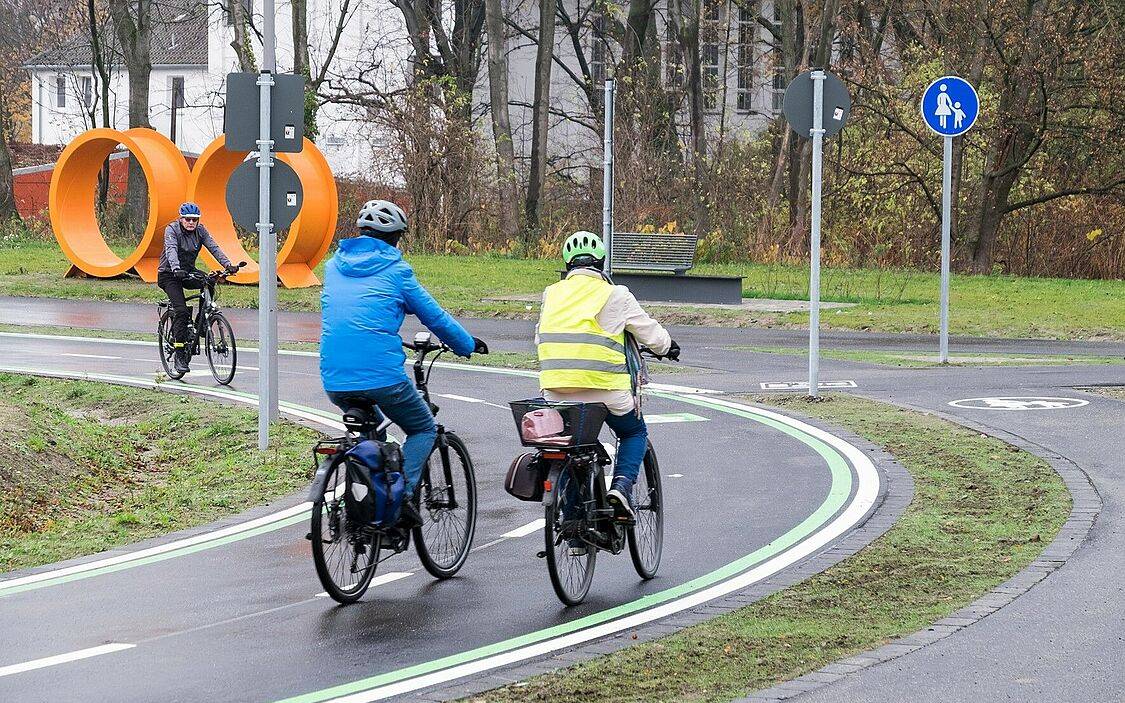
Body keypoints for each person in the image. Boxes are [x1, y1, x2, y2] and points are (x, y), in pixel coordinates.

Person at [320, 199, 487, 528]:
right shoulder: (397, 271)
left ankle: (370, 500)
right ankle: (402, 500)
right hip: (382, 377)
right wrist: (466, 344)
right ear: (396, 238)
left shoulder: (332, 266)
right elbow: (434, 317)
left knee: (374, 437)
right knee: (422, 428)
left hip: (334, 378)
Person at [535, 230, 679, 534]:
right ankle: (621, 488)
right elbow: (649, 332)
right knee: (634, 431)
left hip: (556, 387)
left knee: (573, 445)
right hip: (605, 388)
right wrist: (669, 347)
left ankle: (574, 522)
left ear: (568, 263)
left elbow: (540, 336)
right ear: (601, 262)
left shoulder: (551, 293)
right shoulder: (616, 294)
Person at [157, 202, 240, 375]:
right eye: (187, 219)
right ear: (181, 219)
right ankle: (179, 355)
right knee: (181, 312)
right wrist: (176, 268)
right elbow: (171, 250)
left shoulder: (200, 231)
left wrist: (227, 264)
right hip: (169, 274)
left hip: (187, 271)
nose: (191, 223)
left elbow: (213, 247)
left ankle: (201, 324)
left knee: (209, 281)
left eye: (194, 220)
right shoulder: (172, 230)